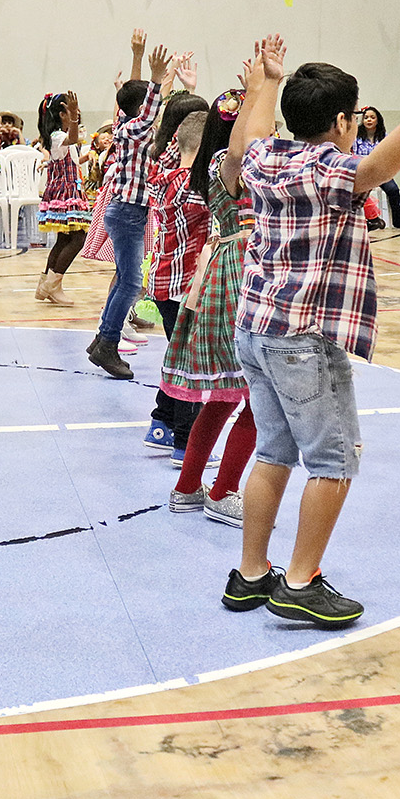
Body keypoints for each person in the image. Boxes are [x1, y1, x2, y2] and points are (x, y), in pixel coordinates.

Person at [222, 34, 400, 627]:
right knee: (333, 460)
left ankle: (251, 573)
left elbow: (247, 135)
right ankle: (300, 581)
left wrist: (266, 80)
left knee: (273, 451)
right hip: (302, 339)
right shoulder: (330, 171)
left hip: (255, 329)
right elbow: (379, 166)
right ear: (341, 121)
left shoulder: (265, 159)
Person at [161, 86, 259, 526]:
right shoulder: (227, 163)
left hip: (229, 273)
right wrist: (260, 90)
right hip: (240, 277)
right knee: (261, 399)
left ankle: (187, 488)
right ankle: (223, 491)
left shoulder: (220, 164)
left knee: (222, 398)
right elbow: (239, 149)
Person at [87, 35, 173, 380]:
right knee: (131, 282)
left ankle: (102, 339)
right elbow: (150, 109)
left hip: (127, 212)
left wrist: (159, 77)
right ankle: (108, 342)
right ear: (141, 108)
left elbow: (147, 105)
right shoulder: (135, 128)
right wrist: (156, 79)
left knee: (126, 279)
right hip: (127, 213)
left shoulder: (129, 127)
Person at [144, 110, 210, 458]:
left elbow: (174, 145)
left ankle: (162, 423)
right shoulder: (195, 187)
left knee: (177, 354)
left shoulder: (163, 176)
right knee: (190, 364)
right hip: (186, 285)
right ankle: (186, 443)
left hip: (164, 281)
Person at [35, 91, 90, 306]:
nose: (77, 113)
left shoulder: (60, 137)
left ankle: (46, 285)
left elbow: (72, 157)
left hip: (70, 189)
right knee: (78, 239)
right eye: (71, 110)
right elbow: (73, 138)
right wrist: (74, 118)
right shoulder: (57, 136)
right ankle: (52, 284)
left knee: (64, 239)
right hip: (65, 193)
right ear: (62, 114)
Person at [354, 107, 400, 230]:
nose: (369, 120)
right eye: (366, 118)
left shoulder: (385, 137)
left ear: (378, 120)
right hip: (363, 173)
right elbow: (353, 155)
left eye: (372, 117)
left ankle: (399, 220)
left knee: (393, 190)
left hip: (381, 173)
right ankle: (370, 221)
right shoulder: (356, 137)